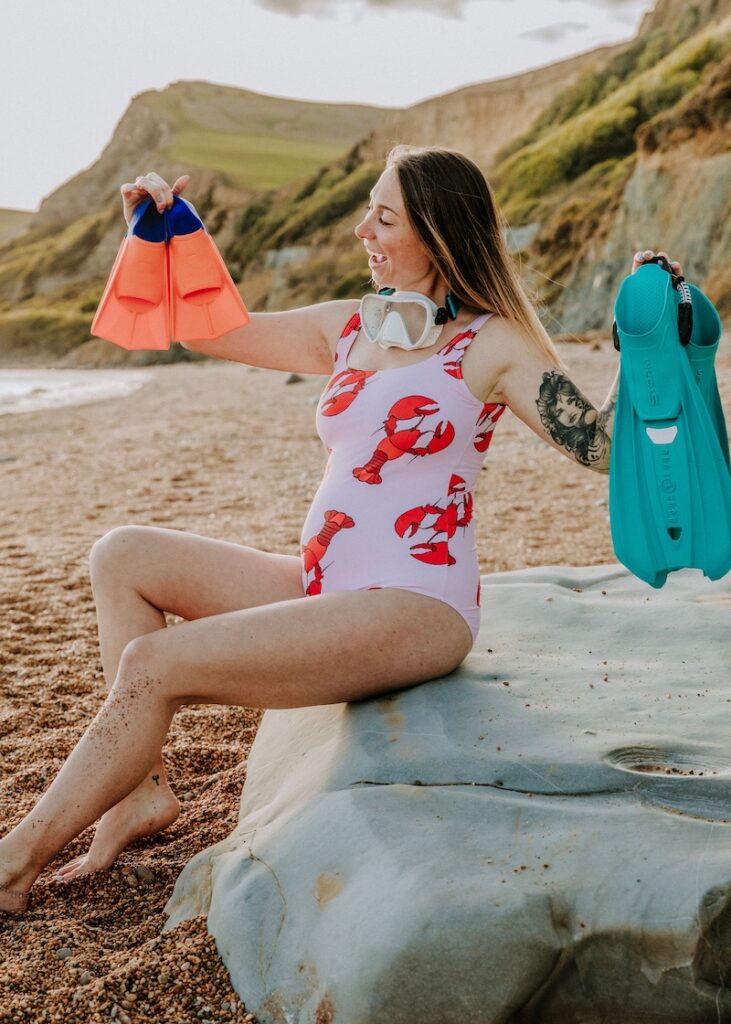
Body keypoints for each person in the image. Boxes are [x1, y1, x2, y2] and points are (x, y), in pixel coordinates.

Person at [0, 145, 681, 913]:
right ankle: (139, 794)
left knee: (154, 663)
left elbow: (600, 447)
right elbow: (204, 330)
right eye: (368, 209)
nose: (363, 229)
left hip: (416, 606)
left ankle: (13, 863)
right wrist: (156, 232)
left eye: (384, 217)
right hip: (324, 582)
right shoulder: (349, 328)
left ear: (438, 234)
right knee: (121, 554)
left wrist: (643, 336)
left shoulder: (490, 345)